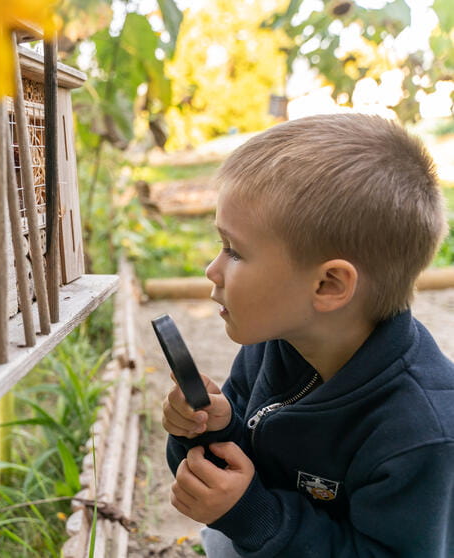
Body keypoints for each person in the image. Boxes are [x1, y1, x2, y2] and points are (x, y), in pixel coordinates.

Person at [162, 113, 454, 557]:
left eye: (234, 251)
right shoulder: (277, 341)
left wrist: (253, 516)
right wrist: (208, 431)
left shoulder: (419, 434)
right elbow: (239, 460)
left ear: (328, 285)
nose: (212, 270)